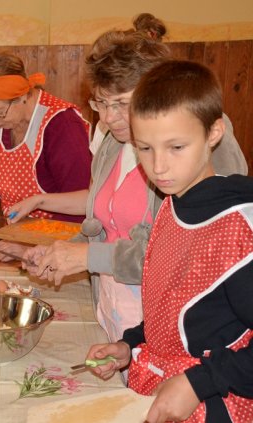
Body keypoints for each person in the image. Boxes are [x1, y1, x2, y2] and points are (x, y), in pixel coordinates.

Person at [18, 13, 248, 344]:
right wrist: (61, 252)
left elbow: (193, 254)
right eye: (100, 103)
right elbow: (105, 226)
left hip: (180, 329)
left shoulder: (201, 142)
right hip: (120, 318)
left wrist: (88, 258)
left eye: (121, 103)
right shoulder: (112, 142)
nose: (108, 117)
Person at [86, 60, 253, 423]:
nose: (158, 167)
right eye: (145, 148)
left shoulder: (239, 229)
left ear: (214, 132)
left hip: (217, 404)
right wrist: (130, 344)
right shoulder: (170, 205)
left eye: (176, 147)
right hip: (163, 385)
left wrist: (199, 382)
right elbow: (170, 307)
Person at [0, 50, 92, 253]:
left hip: (61, 245)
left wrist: (28, 246)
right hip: (17, 237)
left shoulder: (62, 124)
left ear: (21, 96)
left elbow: (82, 205)